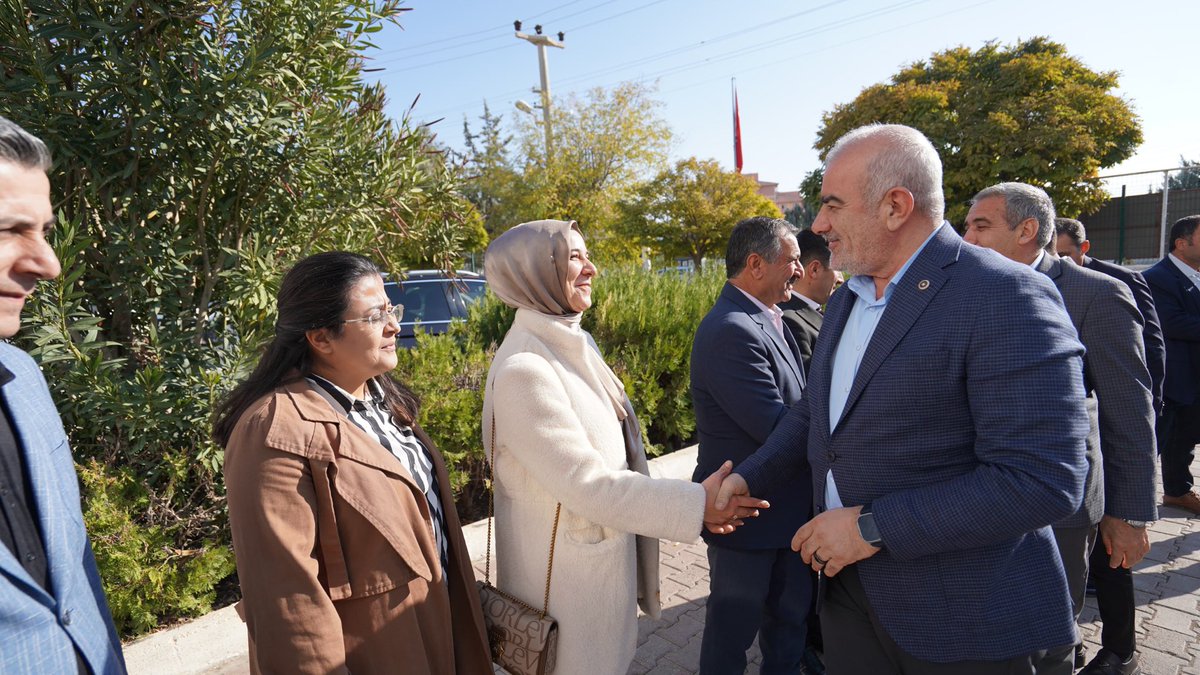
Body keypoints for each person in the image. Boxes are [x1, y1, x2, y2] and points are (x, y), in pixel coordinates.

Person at [715, 124, 1089, 673]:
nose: (818, 225)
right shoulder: (848, 299)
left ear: (895, 206)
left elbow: (1042, 480)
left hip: (964, 620)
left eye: (832, 206)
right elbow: (818, 412)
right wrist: (748, 478)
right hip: (849, 598)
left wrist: (870, 527)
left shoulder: (1006, 295)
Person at [482, 219, 766, 675]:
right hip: (565, 597)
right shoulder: (526, 369)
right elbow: (587, 485)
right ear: (533, 271)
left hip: (594, 581)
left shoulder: (570, 341)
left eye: (586, 254)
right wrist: (697, 504)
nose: (591, 268)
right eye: (574, 257)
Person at [212, 252, 491, 674]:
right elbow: (289, 602)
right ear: (321, 337)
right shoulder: (274, 431)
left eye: (390, 309)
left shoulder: (382, 399)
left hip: (438, 629)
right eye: (375, 315)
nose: (396, 325)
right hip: (377, 655)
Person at [965, 183, 1157, 675]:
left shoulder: (1094, 295)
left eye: (980, 226)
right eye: (967, 225)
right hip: (981, 496)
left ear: (1027, 231)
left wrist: (1129, 513)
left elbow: (1128, 411)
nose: (966, 237)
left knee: (1051, 635)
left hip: (1063, 509)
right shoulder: (968, 289)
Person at [0, 117, 126, 674]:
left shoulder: (25, 378)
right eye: (8, 230)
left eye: (44, 230)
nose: (48, 264)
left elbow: (75, 587)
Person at [690, 216, 812, 674]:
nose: (799, 271)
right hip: (743, 518)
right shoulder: (731, 329)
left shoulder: (769, 318)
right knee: (730, 639)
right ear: (756, 264)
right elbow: (778, 425)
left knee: (787, 631)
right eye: (793, 260)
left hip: (784, 516)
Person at [1056, 216, 1165, 674]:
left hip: (1100, 455)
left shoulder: (1109, 286)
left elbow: (1141, 374)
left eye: (1064, 252)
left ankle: (1120, 651)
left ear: (1083, 249)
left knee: (1112, 557)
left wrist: (1132, 500)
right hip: (1057, 477)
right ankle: (1073, 644)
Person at [1056, 217, 1166, 414]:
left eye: (1064, 254)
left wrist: (1151, 400)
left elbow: (1151, 343)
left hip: (1114, 396)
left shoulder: (1120, 280)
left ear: (1084, 247)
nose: (1058, 262)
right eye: (1052, 254)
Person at [1142, 215, 1200, 516]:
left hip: (1193, 377)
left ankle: (1177, 491)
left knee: (1186, 438)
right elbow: (1171, 322)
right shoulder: (1157, 278)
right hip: (1173, 379)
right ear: (1182, 243)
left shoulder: (1196, 275)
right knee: (1159, 440)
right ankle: (1126, 502)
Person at [780, 228, 838, 371]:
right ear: (815, 269)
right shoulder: (788, 319)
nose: (841, 278)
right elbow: (809, 381)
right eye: (838, 267)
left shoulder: (809, 311)